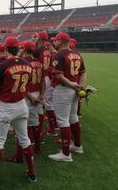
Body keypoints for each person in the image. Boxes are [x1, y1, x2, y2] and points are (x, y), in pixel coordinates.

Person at [0, 37, 37, 188]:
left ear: (5, 49)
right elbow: (27, 85)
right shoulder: (27, 64)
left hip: (6, 106)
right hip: (22, 104)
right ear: (19, 48)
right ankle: (32, 172)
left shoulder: (1, 66)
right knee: (24, 139)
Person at [48, 32, 86, 162]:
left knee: (63, 120)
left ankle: (65, 154)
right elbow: (83, 72)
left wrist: (72, 84)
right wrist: (80, 86)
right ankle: (77, 145)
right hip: (74, 90)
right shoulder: (77, 54)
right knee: (73, 117)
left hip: (64, 89)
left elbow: (58, 76)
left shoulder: (59, 54)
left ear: (61, 41)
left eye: (56, 41)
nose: (54, 43)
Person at [33, 31, 57, 136]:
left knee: (44, 104)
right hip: (47, 77)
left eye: (37, 37)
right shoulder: (47, 50)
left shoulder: (38, 50)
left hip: (42, 78)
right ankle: (52, 127)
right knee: (47, 103)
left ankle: (48, 129)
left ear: (41, 39)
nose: (35, 38)